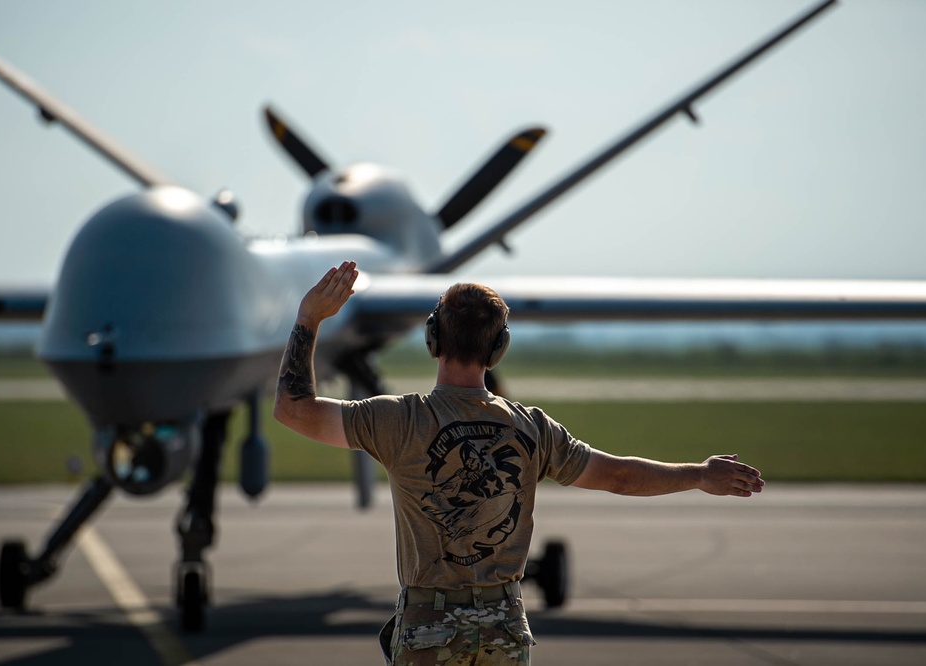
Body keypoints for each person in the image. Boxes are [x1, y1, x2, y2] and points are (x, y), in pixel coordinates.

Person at [273, 260, 765, 665]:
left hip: (429, 633)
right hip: (506, 631)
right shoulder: (532, 428)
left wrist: (309, 318)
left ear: (433, 341)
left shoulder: (398, 420)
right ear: (498, 349)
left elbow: (293, 410)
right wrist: (699, 475)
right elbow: (618, 475)